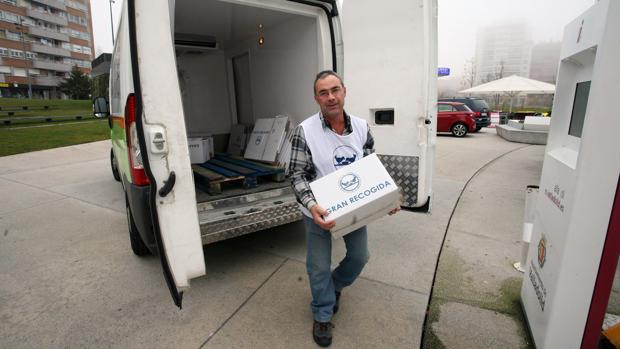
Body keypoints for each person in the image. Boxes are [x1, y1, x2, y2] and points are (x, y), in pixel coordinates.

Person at [290, 70, 400, 347]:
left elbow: (372, 166)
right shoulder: (304, 131)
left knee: (360, 256)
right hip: (318, 211)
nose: (331, 97)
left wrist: (387, 197)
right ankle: (323, 314)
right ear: (316, 98)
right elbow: (297, 175)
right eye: (323, 93)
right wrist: (312, 206)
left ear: (344, 91)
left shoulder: (362, 127)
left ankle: (334, 286)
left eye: (335, 90)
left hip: (352, 209)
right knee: (317, 267)